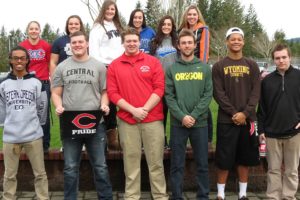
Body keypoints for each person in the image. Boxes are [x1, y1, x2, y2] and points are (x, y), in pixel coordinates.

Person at [107, 28, 168, 200]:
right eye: (128, 41)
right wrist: (133, 110)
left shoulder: (152, 62)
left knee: (155, 162)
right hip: (127, 120)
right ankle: (132, 196)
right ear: (123, 43)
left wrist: (145, 110)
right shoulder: (115, 65)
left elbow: (159, 88)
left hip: (153, 119)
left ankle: (160, 196)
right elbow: (113, 93)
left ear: (140, 42)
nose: (132, 43)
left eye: (135, 40)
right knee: (131, 162)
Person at [51, 31, 112, 200]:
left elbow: (105, 91)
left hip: (95, 123)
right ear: (70, 45)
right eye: (74, 42)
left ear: (87, 44)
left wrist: (104, 104)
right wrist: (58, 106)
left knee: (100, 166)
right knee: (70, 167)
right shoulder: (62, 67)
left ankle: (105, 197)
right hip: (70, 124)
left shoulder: (99, 66)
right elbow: (55, 93)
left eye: (80, 42)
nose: (77, 45)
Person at [212, 27, 260, 200]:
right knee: (224, 159)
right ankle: (220, 194)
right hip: (227, 120)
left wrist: (245, 114)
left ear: (243, 42)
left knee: (244, 158)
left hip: (248, 120)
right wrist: (234, 113)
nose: (236, 41)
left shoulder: (252, 65)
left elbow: (256, 92)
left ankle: (242, 194)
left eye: (239, 39)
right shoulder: (218, 66)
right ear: (227, 41)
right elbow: (218, 94)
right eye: (233, 39)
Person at [165, 29, 212, 200]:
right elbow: (169, 97)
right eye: (183, 42)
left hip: (200, 124)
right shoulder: (172, 69)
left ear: (194, 45)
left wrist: (193, 115)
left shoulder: (205, 68)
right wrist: (182, 116)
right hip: (179, 124)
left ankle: (203, 196)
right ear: (178, 45)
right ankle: (176, 196)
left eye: (189, 42)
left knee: (202, 164)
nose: (186, 45)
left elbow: (208, 95)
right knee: (177, 164)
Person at [0, 46, 48, 199]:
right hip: (11, 137)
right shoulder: (3, 83)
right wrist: (5, 124)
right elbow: (1, 108)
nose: (19, 61)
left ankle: (43, 197)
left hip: (33, 135)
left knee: (40, 174)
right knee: (9, 175)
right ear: (11, 60)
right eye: (15, 58)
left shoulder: (37, 82)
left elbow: (42, 106)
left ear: (27, 60)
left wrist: (37, 124)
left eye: (22, 58)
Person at [257, 44, 300, 200]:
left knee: (292, 170)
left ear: (290, 57)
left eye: (284, 57)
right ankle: (273, 197)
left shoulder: (298, 76)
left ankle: (289, 196)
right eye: (277, 58)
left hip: (294, 134)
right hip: (272, 134)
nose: (281, 61)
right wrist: (261, 131)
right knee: (273, 170)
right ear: (273, 60)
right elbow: (261, 109)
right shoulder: (266, 81)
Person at [89, 0, 124, 150]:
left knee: (122, 100)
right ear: (103, 10)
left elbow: (122, 46)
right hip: (105, 67)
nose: (111, 11)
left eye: (113, 9)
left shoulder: (118, 26)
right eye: (108, 9)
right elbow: (94, 51)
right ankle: (109, 137)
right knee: (108, 102)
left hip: (120, 66)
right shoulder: (98, 27)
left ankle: (125, 136)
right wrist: (102, 67)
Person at [178, 4, 213, 148]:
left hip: (197, 67)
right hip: (183, 68)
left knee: (202, 101)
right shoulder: (182, 31)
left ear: (198, 16)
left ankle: (208, 138)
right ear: (185, 16)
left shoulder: (203, 29)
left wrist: (202, 68)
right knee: (185, 100)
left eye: (194, 14)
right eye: (189, 14)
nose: (192, 17)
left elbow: (204, 50)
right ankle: (185, 135)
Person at [19, 21, 52, 153]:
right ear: (27, 31)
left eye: (36, 29)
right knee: (26, 113)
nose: (34, 31)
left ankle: (44, 145)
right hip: (26, 83)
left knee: (43, 116)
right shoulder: (22, 46)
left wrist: (51, 80)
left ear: (39, 31)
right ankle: (26, 143)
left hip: (43, 83)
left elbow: (50, 63)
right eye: (31, 29)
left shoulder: (45, 46)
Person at [150, 15, 178, 148]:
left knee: (175, 113)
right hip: (159, 84)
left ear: (172, 27)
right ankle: (162, 140)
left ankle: (174, 140)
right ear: (160, 26)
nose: (166, 26)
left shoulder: (176, 41)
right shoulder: (154, 42)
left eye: (169, 24)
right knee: (161, 114)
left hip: (175, 84)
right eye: (164, 24)